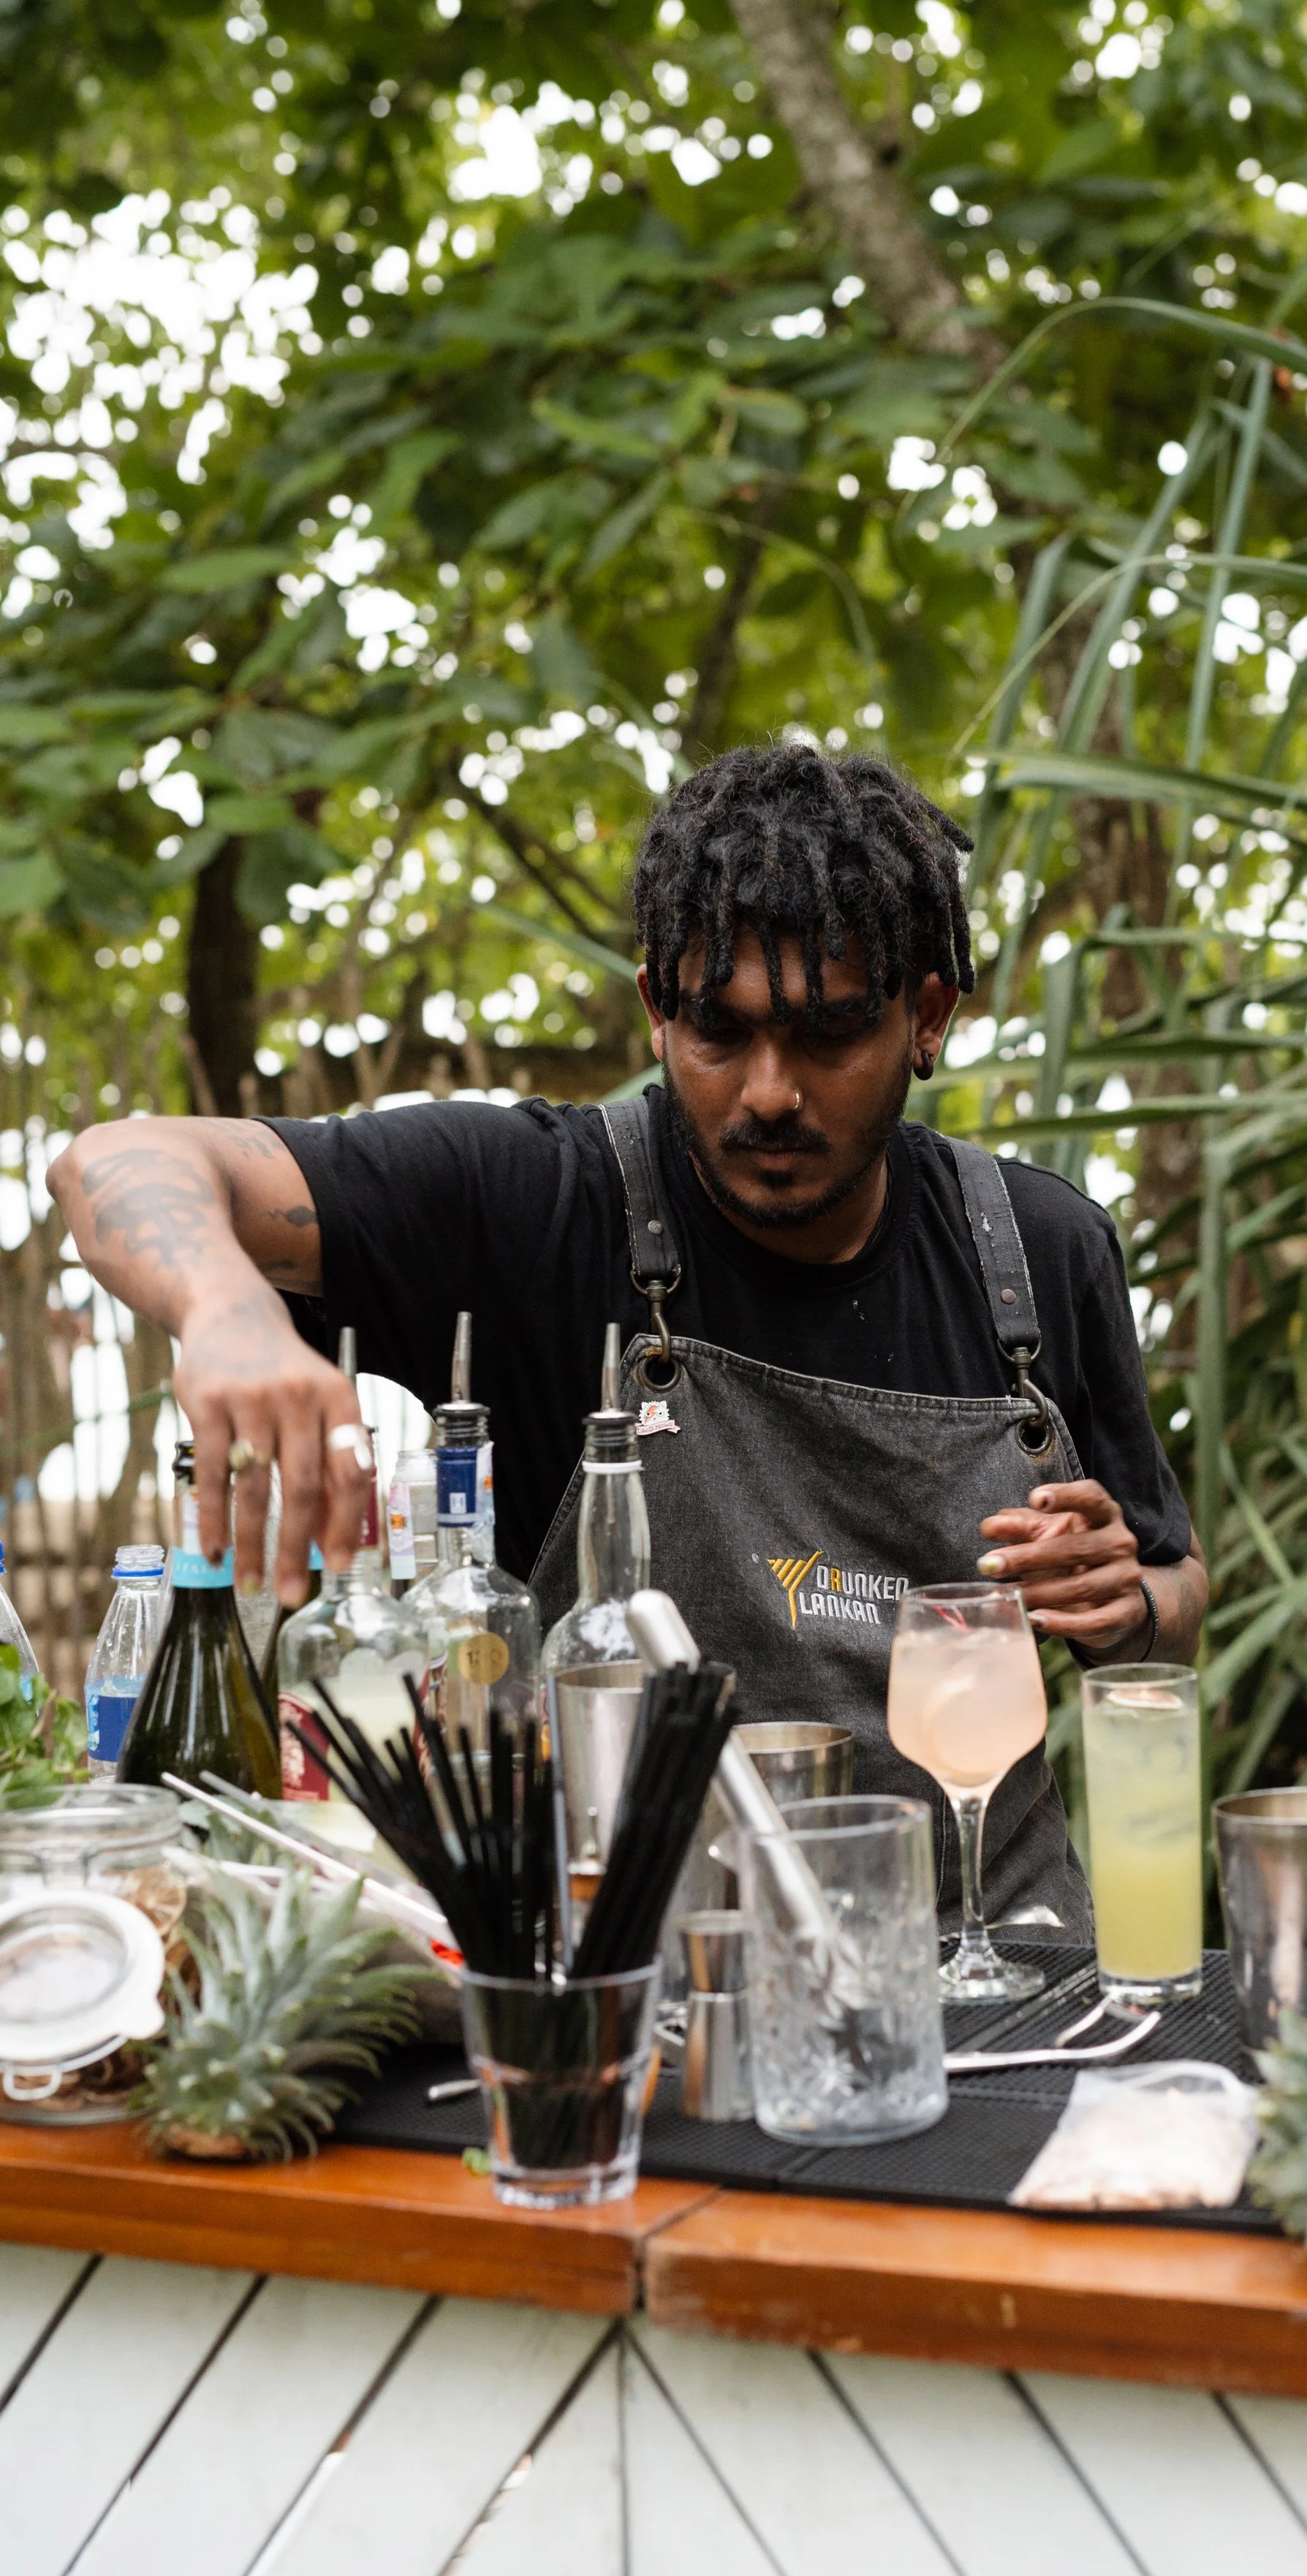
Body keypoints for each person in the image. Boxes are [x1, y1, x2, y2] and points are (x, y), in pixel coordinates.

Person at [50, 745, 1206, 1923]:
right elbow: (115, 1162)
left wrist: (1130, 1610)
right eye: (719, 1026)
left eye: (825, 1036)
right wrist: (231, 1309)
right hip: (650, 1994)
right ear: (657, 1007)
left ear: (926, 1016)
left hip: (1005, 1971)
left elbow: (1175, 1592)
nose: (767, 1090)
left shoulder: (1040, 1251)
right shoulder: (537, 1204)